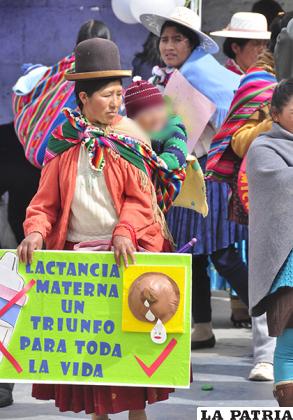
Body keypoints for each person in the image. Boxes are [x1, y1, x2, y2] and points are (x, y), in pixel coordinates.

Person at [17, 38, 180, 420]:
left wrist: (125, 231)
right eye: (106, 96)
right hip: (81, 267)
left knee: (127, 348)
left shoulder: (127, 144)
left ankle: (136, 415)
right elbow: (45, 205)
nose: (115, 103)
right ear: (83, 99)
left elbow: (140, 202)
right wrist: (36, 231)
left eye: (118, 95)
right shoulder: (63, 151)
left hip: (122, 259)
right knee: (92, 351)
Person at [139, 6, 249, 350]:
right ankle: (201, 326)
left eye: (177, 40)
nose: (169, 46)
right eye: (165, 40)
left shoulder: (199, 75)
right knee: (194, 253)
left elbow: (230, 118)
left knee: (223, 254)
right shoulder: (178, 75)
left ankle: (273, 312)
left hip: (210, 177)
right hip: (188, 175)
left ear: (191, 44)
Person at [247, 78, 293, 406]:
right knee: (290, 343)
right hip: (287, 267)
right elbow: (281, 185)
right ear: (275, 114)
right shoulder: (263, 147)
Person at [12, 19, 111, 169]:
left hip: (42, 153)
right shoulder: (100, 76)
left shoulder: (66, 65)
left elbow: (44, 75)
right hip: (73, 161)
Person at [124, 78, 188, 170]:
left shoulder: (173, 130)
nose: (156, 117)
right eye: (148, 113)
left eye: (159, 110)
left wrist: (164, 161)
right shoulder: (130, 135)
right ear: (133, 120)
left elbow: (178, 149)